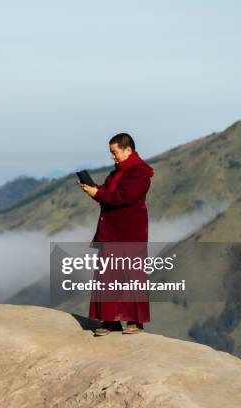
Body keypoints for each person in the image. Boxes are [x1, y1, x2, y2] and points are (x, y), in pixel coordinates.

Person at [78, 133, 154, 335]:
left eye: (115, 152)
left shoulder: (139, 173)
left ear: (128, 150)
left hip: (130, 232)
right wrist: (94, 190)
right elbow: (108, 193)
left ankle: (135, 321)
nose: (112, 157)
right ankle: (110, 321)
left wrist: (99, 194)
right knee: (109, 276)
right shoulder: (117, 173)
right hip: (110, 231)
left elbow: (123, 197)